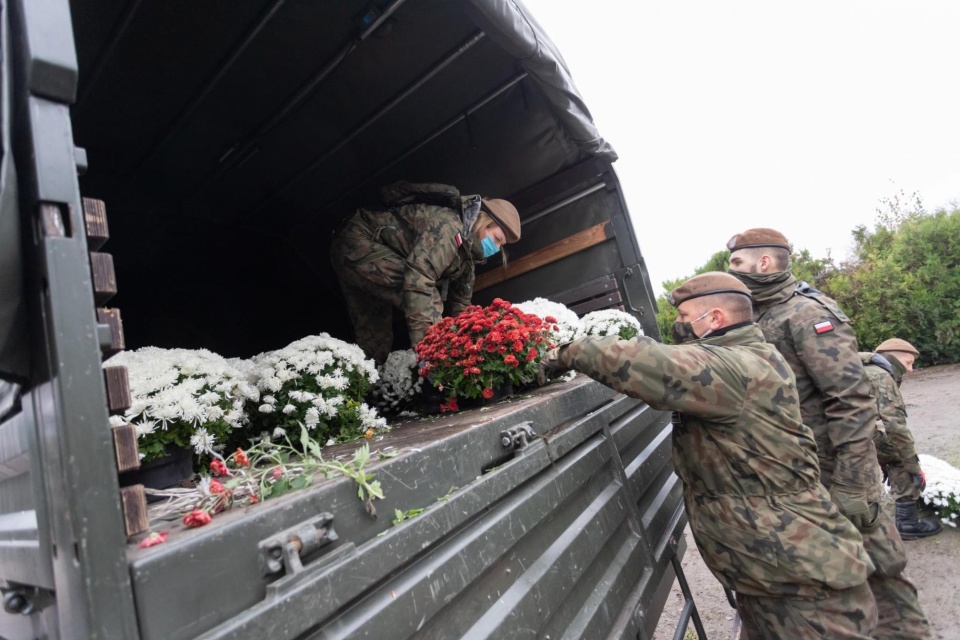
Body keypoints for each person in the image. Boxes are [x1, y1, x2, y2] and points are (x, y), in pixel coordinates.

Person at [544, 272, 877, 639]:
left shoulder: (734, 368)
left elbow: (644, 363)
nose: (678, 325)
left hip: (796, 571)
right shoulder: (755, 353)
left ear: (715, 318)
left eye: (685, 317)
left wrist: (564, 351)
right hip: (773, 565)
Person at [727, 228, 931, 640]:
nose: (728, 269)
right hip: (798, 476)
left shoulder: (807, 314)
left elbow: (852, 399)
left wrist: (855, 483)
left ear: (763, 263)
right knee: (828, 580)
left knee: (881, 575)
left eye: (735, 262)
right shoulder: (758, 316)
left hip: (836, 472)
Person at [331, 181, 520, 364]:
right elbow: (419, 280)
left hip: (363, 255)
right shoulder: (448, 228)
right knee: (428, 298)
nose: (495, 248)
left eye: (500, 245)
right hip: (356, 244)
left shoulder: (468, 254)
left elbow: (461, 305)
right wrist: (431, 354)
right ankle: (435, 362)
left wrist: (474, 346)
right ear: (484, 224)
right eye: (496, 239)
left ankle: (367, 386)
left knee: (375, 339)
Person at [863, 338, 941, 539]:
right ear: (893, 357)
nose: (911, 369)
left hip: (824, 433)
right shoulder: (881, 376)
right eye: (908, 363)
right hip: (854, 434)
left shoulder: (860, 367)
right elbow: (895, 427)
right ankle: (907, 523)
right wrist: (913, 467)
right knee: (899, 457)